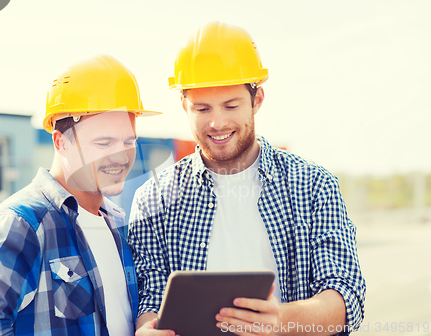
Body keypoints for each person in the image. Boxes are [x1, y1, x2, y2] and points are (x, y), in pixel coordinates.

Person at [130, 22, 366, 335]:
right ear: (183, 106)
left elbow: (346, 301)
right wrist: (148, 328)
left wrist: (280, 320)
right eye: (202, 108)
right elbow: (151, 298)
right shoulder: (154, 197)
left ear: (257, 100)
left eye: (231, 105)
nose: (217, 122)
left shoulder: (313, 185)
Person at [0, 55, 163, 336]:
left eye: (128, 141)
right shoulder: (21, 225)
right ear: (61, 142)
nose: (120, 155)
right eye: (103, 142)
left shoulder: (118, 223)